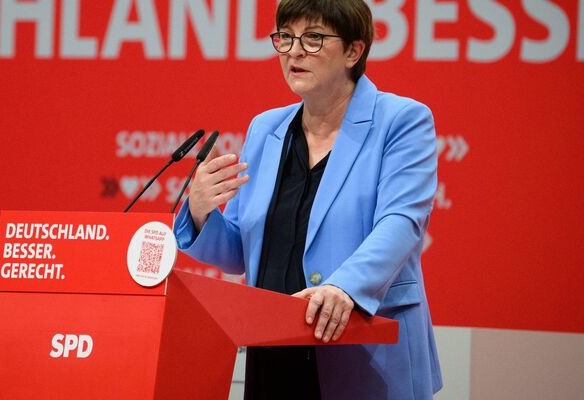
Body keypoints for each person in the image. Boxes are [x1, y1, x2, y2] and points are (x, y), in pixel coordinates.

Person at [173, 0, 442, 398]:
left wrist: (344, 288)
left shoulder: (401, 120)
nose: (295, 51)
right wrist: (200, 209)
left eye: (314, 38)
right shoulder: (266, 128)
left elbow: (401, 222)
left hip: (360, 345)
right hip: (274, 351)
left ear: (354, 50)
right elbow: (240, 250)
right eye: (286, 38)